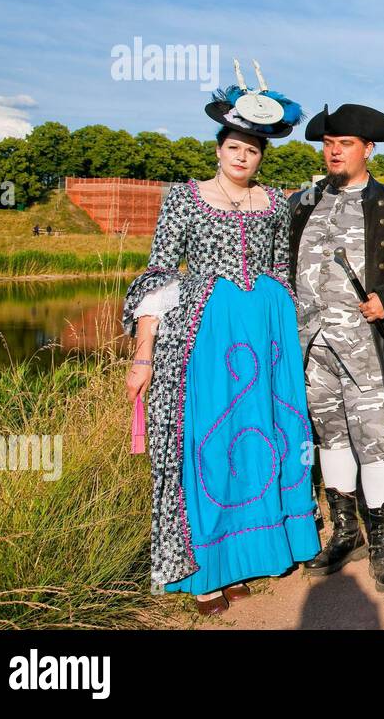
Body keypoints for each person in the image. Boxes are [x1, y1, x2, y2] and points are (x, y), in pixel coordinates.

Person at [122, 74, 318, 616]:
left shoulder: (276, 203)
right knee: (207, 442)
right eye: (234, 147)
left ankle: (243, 559)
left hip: (265, 333)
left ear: (262, 156)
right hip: (202, 335)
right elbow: (159, 273)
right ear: (219, 148)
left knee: (259, 439)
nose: (242, 157)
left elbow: (281, 266)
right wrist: (143, 352)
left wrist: (289, 327)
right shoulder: (185, 199)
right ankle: (204, 570)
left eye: (252, 150)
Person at [289, 103, 384, 591]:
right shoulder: (303, 201)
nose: (335, 150)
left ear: (367, 149)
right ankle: (345, 533)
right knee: (330, 439)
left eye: (346, 143)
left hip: (370, 346)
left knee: (376, 440)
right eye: (329, 143)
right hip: (313, 346)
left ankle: (382, 543)